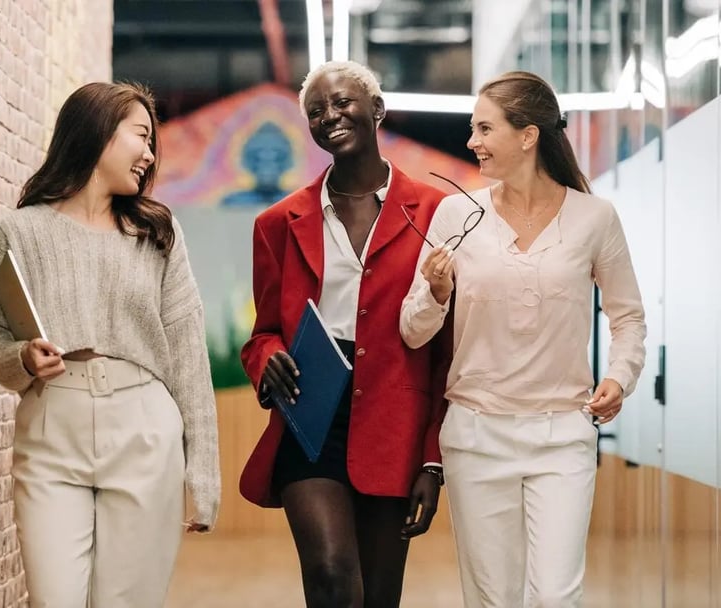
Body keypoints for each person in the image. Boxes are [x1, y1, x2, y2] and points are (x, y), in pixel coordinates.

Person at [400, 71, 646, 607]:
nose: (472, 142)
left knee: (557, 597)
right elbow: (413, 331)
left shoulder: (594, 218)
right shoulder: (456, 214)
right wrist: (435, 293)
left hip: (563, 438)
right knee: (493, 599)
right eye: (473, 129)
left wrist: (619, 377)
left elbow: (628, 318)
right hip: (475, 437)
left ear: (528, 135)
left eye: (484, 129)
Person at [0, 82, 220, 608]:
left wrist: (202, 470)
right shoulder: (20, 232)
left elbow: (188, 354)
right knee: (55, 599)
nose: (150, 154)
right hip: (50, 431)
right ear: (98, 133)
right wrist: (21, 357)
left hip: (144, 430)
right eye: (141, 136)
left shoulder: (157, 234)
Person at [239, 60, 452, 608]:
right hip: (309, 415)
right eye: (315, 111)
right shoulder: (277, 224)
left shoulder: (436, 213)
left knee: (379, 596)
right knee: (332, 577)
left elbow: (448, 351)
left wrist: (433, 459)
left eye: (342, 103)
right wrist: (268, 359)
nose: (329, 116)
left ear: (376, 109)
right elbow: (262, 333)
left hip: (395, 420)